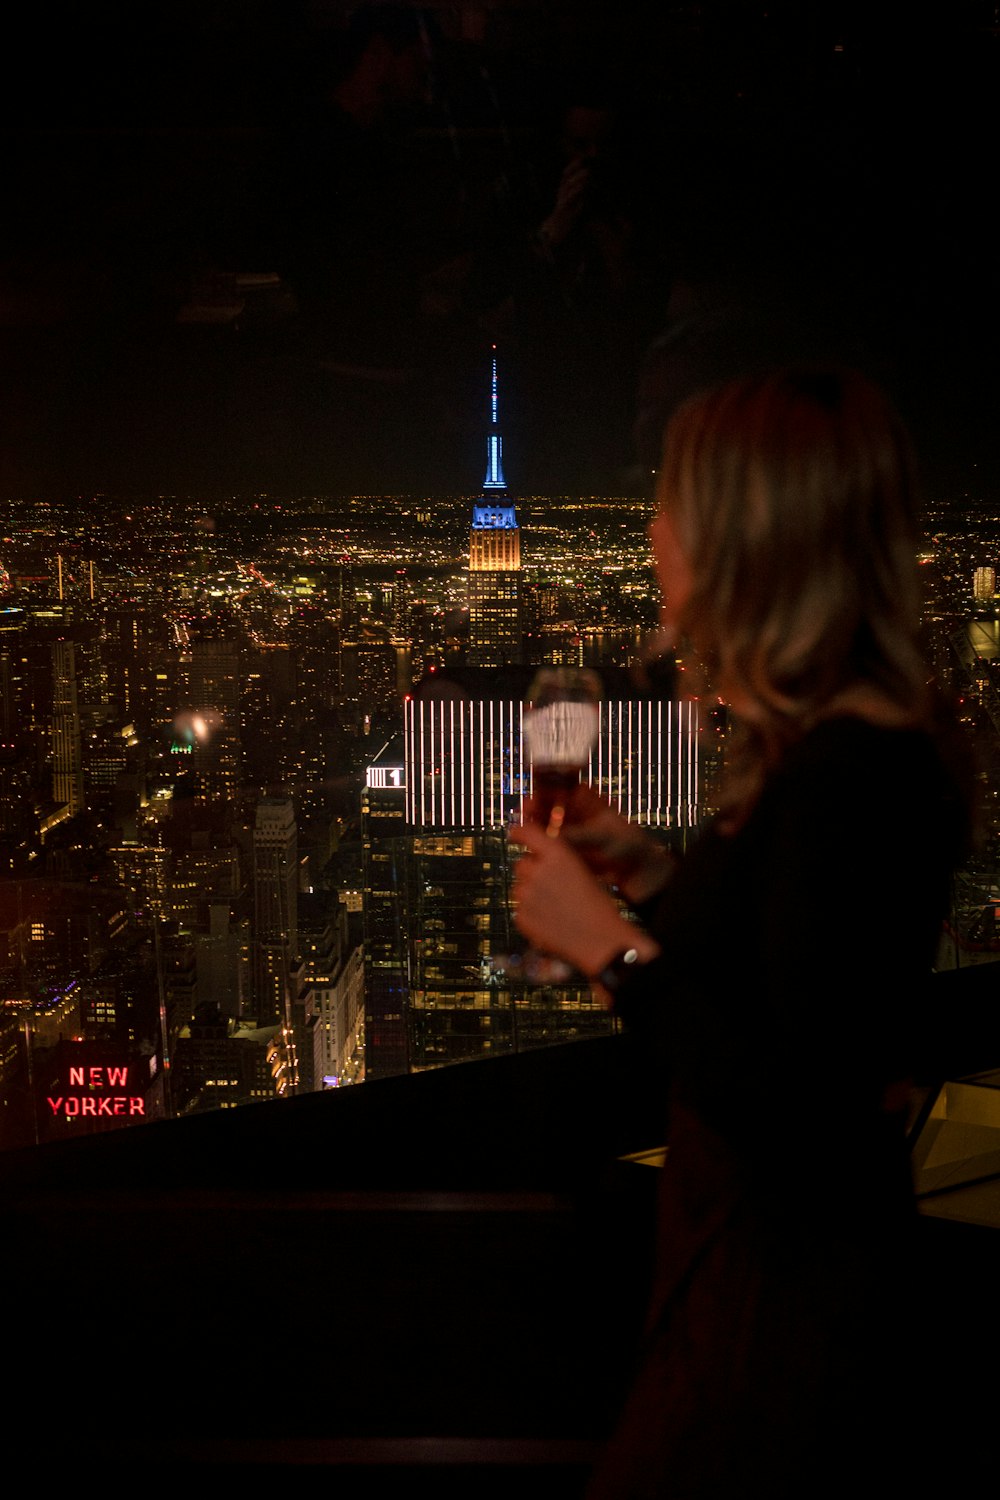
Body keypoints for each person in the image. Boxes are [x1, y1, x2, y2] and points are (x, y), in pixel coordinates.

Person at [510, 366, 971, 1497]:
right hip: (761, 1268)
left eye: (673, 501)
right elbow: (792, 969)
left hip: (783, 1290)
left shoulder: (853, 771)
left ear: (744, 540)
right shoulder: (838, 742)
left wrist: (611, 953)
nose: (654, 529)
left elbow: (796, 1098)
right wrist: (648, 872)